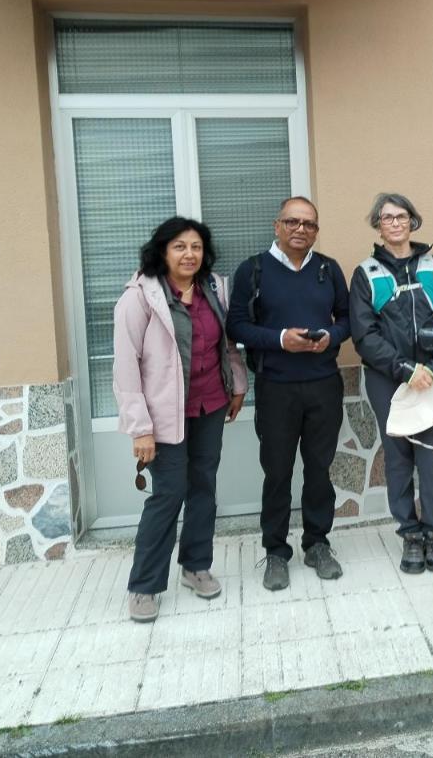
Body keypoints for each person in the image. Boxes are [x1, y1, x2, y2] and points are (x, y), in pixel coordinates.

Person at [113, 216, 247, 624]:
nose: (189, 254)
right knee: (168, 494)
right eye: (180, 247)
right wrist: (140, 428)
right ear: (163, 251)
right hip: (163, 416)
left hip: (209, 405)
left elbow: (227, 344)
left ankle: (196, 566)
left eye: (196, 247)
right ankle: (144, 586)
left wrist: (237, 384)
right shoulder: (140, 297)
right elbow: (125, 366)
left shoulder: (214, 289)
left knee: (203, 486)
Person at [226, 197, 351, 591]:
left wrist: (331, 335)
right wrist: (281, 340)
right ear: (277, 225)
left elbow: (348, 319)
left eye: (309, 224)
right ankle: (276, 551)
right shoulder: (254, 270)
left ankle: (317, 544)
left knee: (319, 469)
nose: (301, 229)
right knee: (277, 473)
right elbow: (237, 326)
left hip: (322, 385)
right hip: (276, 387)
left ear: (316, 230)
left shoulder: (328, 270)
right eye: (292, 222)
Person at [350, 193, 433, 574]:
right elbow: (364, 334)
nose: (395, 223)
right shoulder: (366, 273)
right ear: (377, 225)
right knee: (397, 457)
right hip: (388, 379)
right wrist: (404, 369)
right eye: (386, 217)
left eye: (401, 216)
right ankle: (410, 535)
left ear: (413, 221)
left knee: (432, 456)